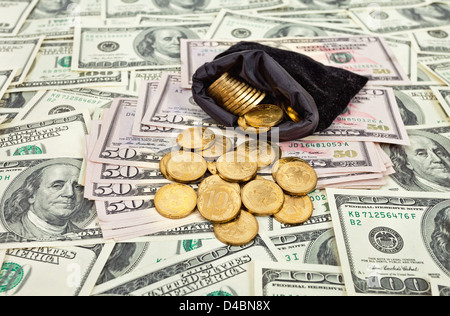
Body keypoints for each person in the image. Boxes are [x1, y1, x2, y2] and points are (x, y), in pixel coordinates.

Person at [4, 162, 93, 239]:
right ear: (31, 195)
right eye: (57, 186)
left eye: (77, 187)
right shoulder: (11, 231)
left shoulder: (86, 236)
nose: (70, 193)